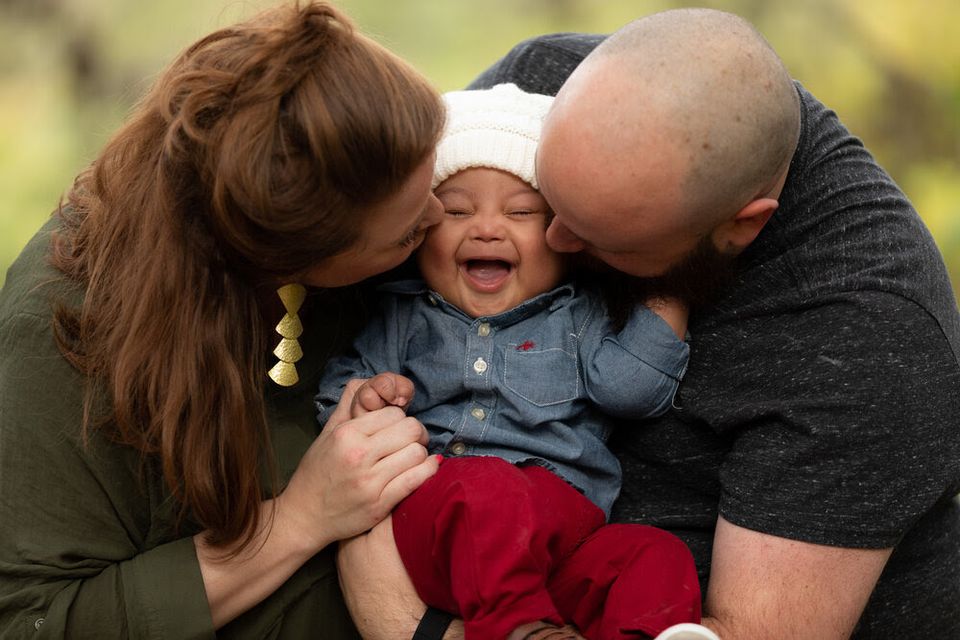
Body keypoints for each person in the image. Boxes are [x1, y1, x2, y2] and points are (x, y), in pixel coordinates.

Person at [337, 8, 960, 640]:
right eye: (548, 199)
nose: (553, 239)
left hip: (568, 585)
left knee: (652, 557)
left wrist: (406, 622)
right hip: (458, 524)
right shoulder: (536, 92)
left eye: (600, 238)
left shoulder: (868, 339)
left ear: (740, 225)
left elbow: (748, 631)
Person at [0, 3, 448, 637]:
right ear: (287, 261)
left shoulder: (357, 175)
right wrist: (300, 519)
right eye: (406, 235)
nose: (439, 215)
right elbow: (33, 622)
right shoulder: (63, 327)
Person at [315, 83, 713, 640]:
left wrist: (670, 286)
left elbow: (630, 390)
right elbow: (338, 405)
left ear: (566, 237)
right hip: (441, 522)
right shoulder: (403, 315)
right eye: (456, 210)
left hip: (563, 537)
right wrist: (367, 398)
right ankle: (517, 628)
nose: (486, 228)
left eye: (521, 211)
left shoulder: (580, 315)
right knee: (487, 486)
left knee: (654, 554)